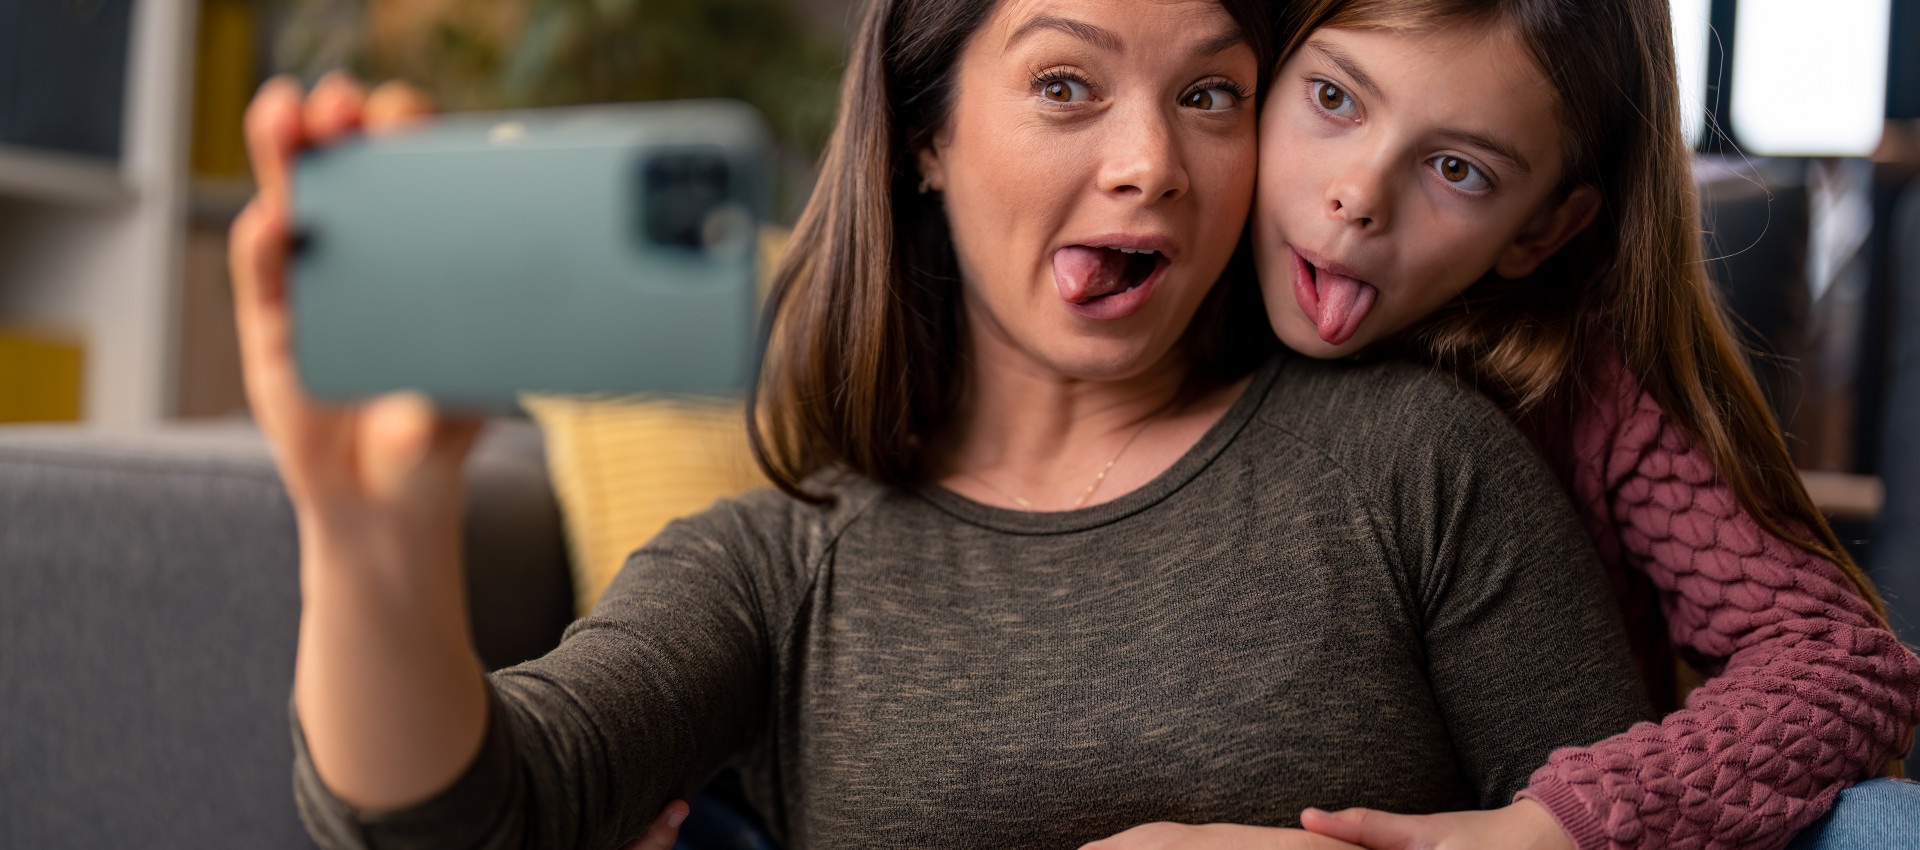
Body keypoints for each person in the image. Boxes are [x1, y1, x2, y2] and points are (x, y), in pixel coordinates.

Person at [231, 0, 1654, 847]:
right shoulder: (783, 563)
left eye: (1210, 94)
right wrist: (364, 532)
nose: (1152, 161)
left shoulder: (1418, 465)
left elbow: (1646, 825)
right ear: (927, 135)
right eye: (1065, 85)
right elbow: (464, 820)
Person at [1237, 2, 1920, 849]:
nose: (1358, 196)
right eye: (1334, 99)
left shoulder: (1590, 389)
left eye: (1457, 168)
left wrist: (1554, 828)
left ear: (1541, 229)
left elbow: (1839, 666)